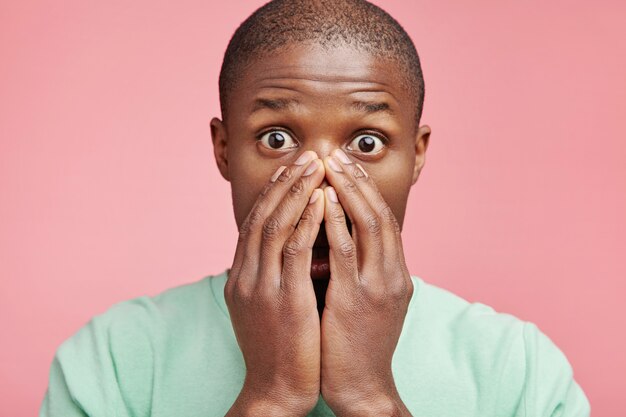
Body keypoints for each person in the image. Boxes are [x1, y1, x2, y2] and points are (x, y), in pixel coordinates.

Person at [40, 1, 590, 416]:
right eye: (277, 138)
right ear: (224, 149)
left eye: (367, 143)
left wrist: (370, 397)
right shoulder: (111, 360)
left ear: (416, 156)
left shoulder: (519, 370)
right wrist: (271, 396)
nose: (323, 185)